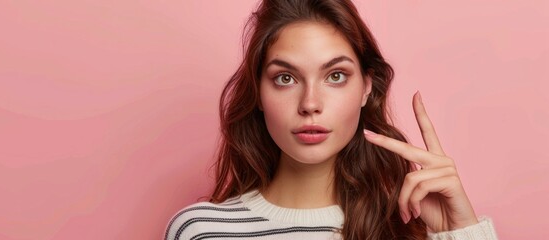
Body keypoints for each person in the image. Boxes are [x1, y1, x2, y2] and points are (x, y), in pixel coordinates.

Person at [165, 0, 498, 239]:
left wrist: (461, 231)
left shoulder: (409, 229)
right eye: (285, 78)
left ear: (366, 88)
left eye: (336, 76)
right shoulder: (200, 231)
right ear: (258, 93)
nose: (310, 104)